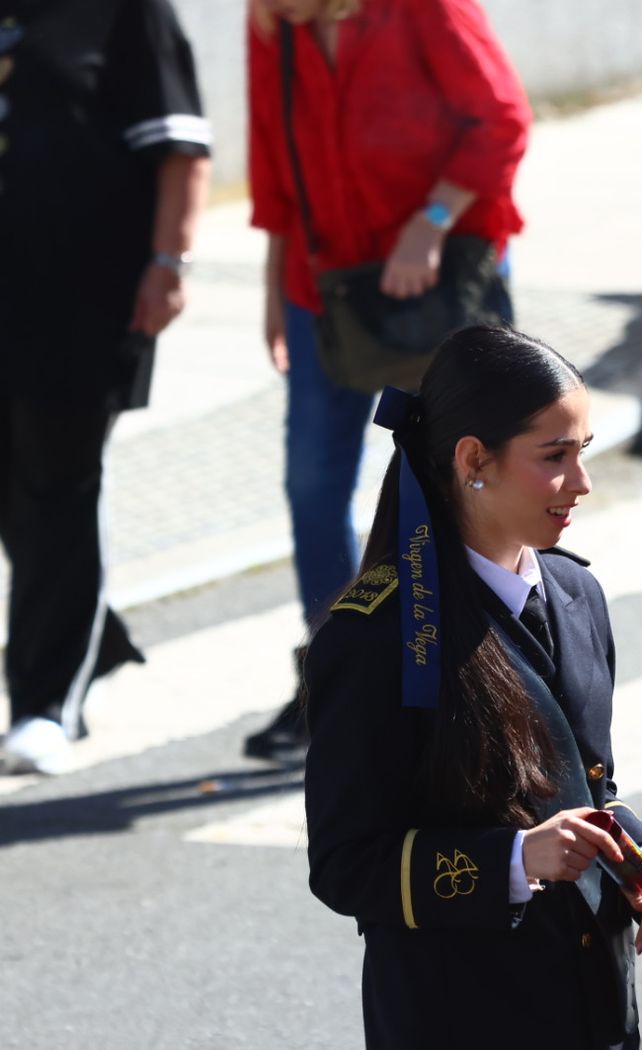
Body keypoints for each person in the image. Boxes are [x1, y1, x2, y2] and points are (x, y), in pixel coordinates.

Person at [303, 326, 642, 1050]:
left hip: (596, 1008)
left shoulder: (577, 592)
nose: (582, 482)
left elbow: (590, 784)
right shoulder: (374, 634)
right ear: (473, 461)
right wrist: (516, 859)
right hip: (461, 1024)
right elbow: (346, 863)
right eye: (554, 457)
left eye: (583, 451)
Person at [243, 0, 531, 761]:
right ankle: (336, 674)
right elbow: (275, 164)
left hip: (442, 274)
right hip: (324, 288)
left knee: (464, 473)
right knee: (313, 483)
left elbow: (501, 119)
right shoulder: (273, 22)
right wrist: (274, 291)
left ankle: (487, 664)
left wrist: (430, 220)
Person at [0, 0, 210, 773]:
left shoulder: (126, 12)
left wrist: (169, 262)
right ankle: (97, 632)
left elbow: (181, 146)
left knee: (59, 487)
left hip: (81, 301)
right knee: (20, 496)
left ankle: (44, 703)